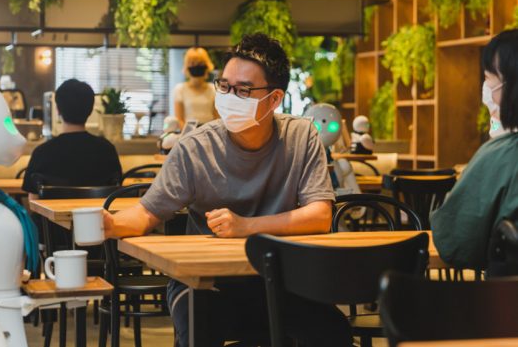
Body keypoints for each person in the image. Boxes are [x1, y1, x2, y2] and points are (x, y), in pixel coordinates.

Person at [103, 34, 352, 347]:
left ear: (274, 99)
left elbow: (319, 215)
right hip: (206, 284)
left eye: (243, 90)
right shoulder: (195, 148)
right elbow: (147, 213)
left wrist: (246, 227)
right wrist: (110, 223)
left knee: (333, 331)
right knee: (199, 329)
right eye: (224, 86)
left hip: (280, 281)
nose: (230, 97)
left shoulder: (301, 136)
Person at [431, 29, 518, 271]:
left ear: (510, 87)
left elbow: (455, 242)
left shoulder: (501, 155)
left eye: (489, 77)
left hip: (507, 303)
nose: (485, 86)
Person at [22, 78, 123, 197]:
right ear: (90, 111)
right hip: (97, 216)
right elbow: (115, 192)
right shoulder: (107, 150)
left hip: (49, 216)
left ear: (58, 110)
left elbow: (33, 200)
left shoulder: (42, 153)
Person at [173, 47, 218, 127]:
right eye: (193, 63)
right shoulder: (180, 89)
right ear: (187, 66)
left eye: (200, 63)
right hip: (188, 134)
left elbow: (216, 117)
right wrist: (190, 135)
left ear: (206, 66)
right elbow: (179, 119)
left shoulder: (214, 89)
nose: (196, 66)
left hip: (209, 132)